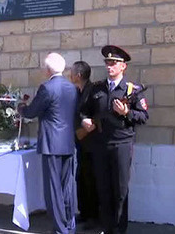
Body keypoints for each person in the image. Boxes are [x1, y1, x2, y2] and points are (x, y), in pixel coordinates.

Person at [81, 45, 149, 234]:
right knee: (103, 188)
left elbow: (143, 117)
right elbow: (84, 110)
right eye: (107, 63)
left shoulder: (131, 90)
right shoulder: (97, 88)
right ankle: (107, 227)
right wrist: (84, 120)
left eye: (114, 63)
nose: (109, 66)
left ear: (123, 66)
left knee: (120, 190)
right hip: (100, 144)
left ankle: (119, 228)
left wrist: (127, 112)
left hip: (121, 144)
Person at [18, 52, 77, 234]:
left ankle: (60, 230)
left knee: (53, 189)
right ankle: (69, 225)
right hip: (68, 141)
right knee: (67, 187)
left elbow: (31, 112)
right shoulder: (71, 87)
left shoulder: (47, 88)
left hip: (52, 143)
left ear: (48, 69)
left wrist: (21, 107)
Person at [70, 61, 98, 230]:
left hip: (91, 142)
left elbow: (94, 114)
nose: (70, 75)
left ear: (78, 75)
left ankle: (93, 216)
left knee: (91, 179)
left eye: (72, 72)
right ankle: (84, 212)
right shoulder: (76, 91)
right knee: (80, 177)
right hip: (80, 142)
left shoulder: (93, 91)